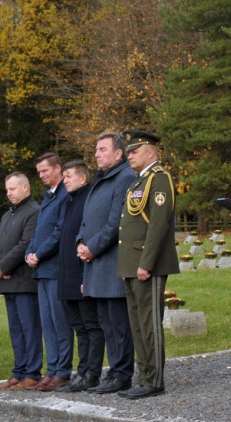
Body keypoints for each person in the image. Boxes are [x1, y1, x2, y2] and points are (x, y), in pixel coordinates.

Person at [117, 130, 179, 400]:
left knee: (150, 323)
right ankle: (143, 376)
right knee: (138, 324)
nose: (129, 155)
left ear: (151, 152)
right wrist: (128, 266)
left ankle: (153, 380)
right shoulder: (139, 181)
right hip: (132, 264)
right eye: (128, 152)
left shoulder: (160, 179)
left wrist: (146, 263)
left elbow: (158, 225)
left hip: (146, 264)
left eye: (135, 151)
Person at [77, 132, 137, 394]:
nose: (97, 154)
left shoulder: (125, 178)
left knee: (119, 323)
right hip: (96, 264)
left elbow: (116, 224)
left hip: (112, 263)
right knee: (106, 323)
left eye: (102, 149)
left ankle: (122, 374)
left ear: (118, 153)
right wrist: (81, 241)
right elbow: (88, 219)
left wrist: (92, 247)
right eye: (96, 149)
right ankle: (113, 371)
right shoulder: (103, 180)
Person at [0, 172, 43, 390]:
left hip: (24, 281)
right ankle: (18, 372)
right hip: (8, 280)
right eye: (7, 189)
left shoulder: (34, 212)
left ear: (25, 188)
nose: (8, 193)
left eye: (12, 189)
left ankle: (32, 373)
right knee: (16, 330)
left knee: (30, 329)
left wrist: (3, 267)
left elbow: (25, 245)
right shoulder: (7, 215)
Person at [56, 160, 104, 393]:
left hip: (82, 272)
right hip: (66, 273)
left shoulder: (88, 199)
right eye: (64, 176)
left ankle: (91, 373)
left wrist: (85, 276)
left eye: (69, 176)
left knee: (91, 325)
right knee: (78, 326)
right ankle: (81, 370)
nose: (64, 180)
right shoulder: (68, 201)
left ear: (82, 178)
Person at [25, 152, 71, 392]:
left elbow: (59, 232)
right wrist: (30, 253)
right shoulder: (47, 197)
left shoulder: (65, 195)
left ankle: (63, 371)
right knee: (47, 323)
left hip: (55, 268)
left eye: (45, 170)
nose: (41, 175)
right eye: (39, 172)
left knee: (59, 321)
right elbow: (38, 232)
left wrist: (39, 253)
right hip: (41, 269)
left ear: (58, 168)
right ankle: (51, 369)